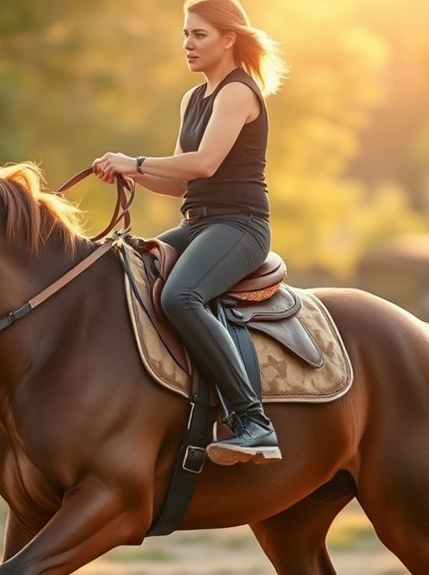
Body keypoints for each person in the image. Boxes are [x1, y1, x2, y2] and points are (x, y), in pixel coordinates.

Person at [92, 0, 286, 465]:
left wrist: (134, 161)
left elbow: (205, 163)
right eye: (184, 34)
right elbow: (179, 182)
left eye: (198, 35)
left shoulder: (239, 92)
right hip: (196, 224)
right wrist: (129, 173)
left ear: (228, 38)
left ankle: (253, 422)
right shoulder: (193, 99)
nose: (187, 44)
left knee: (180, 296)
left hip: (241, 225)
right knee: (112, 266)